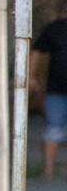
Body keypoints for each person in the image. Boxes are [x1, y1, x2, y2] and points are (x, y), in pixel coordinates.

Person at [31, 16, 67, 180]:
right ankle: (47, 172)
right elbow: (37, 51)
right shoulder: (55, 28)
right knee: (52, 129)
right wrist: (30, 76)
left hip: (56, 90)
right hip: (56, 89)